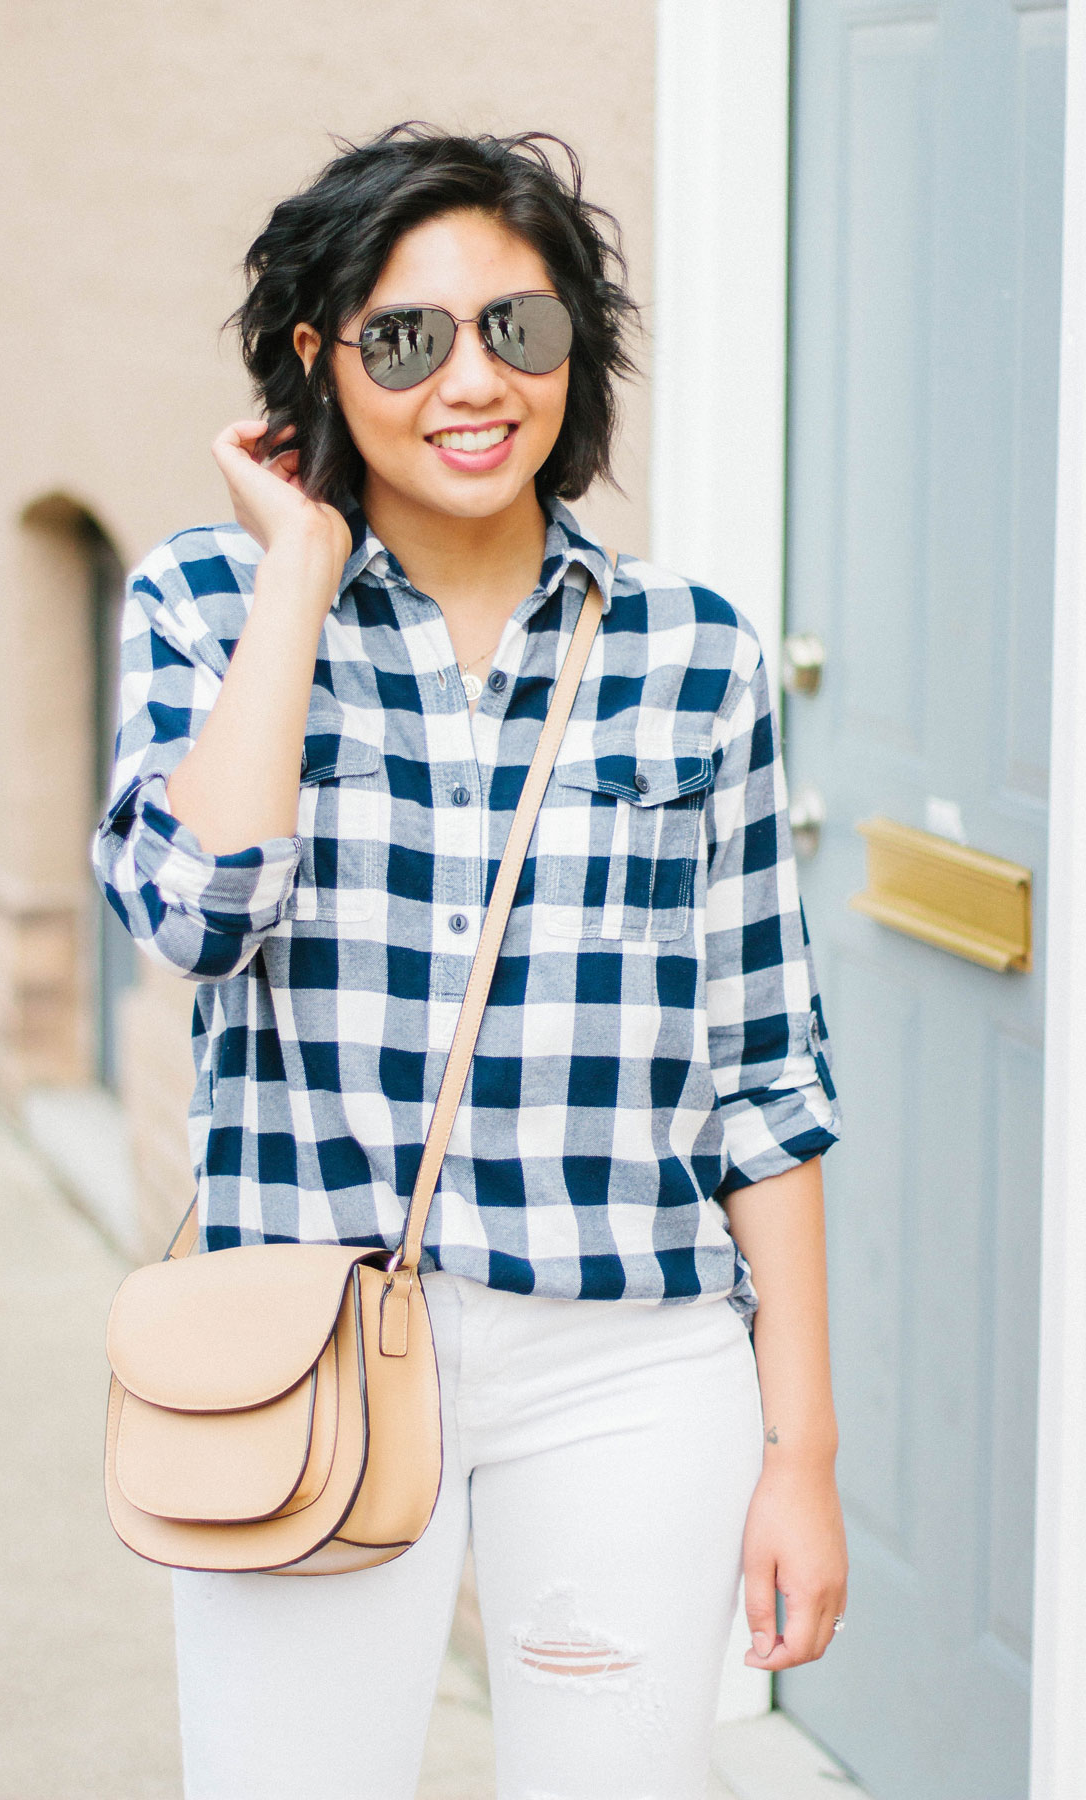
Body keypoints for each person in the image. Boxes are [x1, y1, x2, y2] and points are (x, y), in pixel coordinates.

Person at [93, 123, 848, 1800]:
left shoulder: (692, 653)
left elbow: (763, 1078)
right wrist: (301, 567)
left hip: (632, 1359)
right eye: (405, 338)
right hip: (301, 1343)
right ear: (317, 359)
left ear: (577, 349)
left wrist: (803, 1450)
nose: (472, 382)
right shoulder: (207, 603)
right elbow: (196, 911)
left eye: (520, 327)